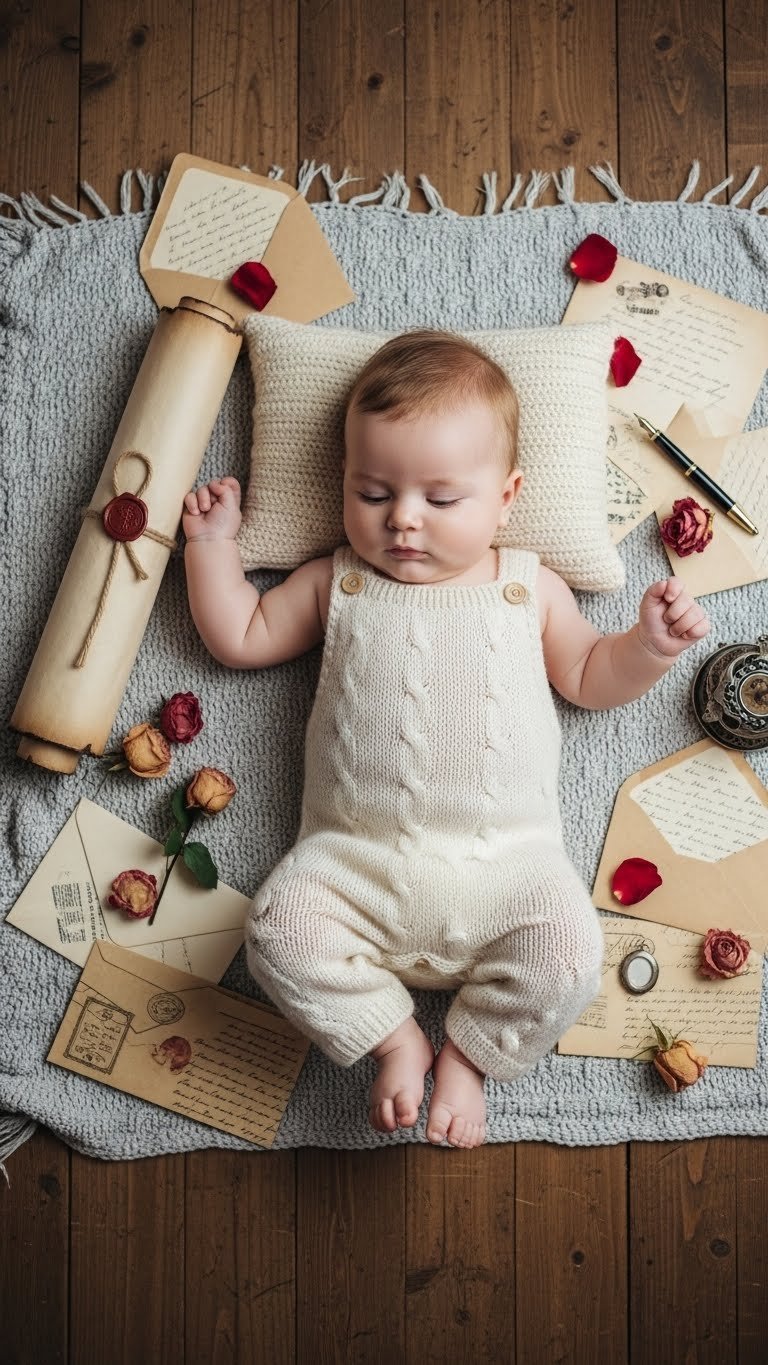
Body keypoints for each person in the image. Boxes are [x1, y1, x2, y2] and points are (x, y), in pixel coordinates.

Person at [182, 329, 710, 1149]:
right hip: (351, 863)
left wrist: (648, 647)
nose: (403, 521)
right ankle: (395, 1036)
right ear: (344, 485)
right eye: (373, 492)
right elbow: (244, 635)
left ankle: (469, 1053)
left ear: (507, 496)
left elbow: (590, 677)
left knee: (571, 952)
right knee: (276, 931)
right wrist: (213, 550)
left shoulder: (526, 584)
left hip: (510, 867)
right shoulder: (336, 580)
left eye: (441, 498)